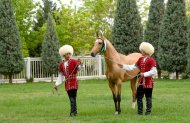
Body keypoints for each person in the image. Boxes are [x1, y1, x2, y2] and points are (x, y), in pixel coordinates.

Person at [118, 42, 157, 115]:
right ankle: (140, 112)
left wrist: (144, 74)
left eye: (142, 50)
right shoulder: (140, 59)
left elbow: (154, 71)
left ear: (146, 51)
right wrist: (123, 66)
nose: (141, 52)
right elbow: (133, 67)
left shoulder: (152, 60)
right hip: (141, 82)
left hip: (148, 82)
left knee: (148, 97)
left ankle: (148, 112)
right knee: (139, 97)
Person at [54, 45, 83, 117]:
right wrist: (56, 84)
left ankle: (72, 113)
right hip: (67, 83)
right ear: (64, 55)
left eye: (70, 53)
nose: (69, 55)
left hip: (74, 81)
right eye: (67, 54)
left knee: (73, 97)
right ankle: (74, 112)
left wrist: (80, 64)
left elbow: (80, 69)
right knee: (71, 98)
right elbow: (60, 76)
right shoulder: (61, 64)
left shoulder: (74, 61)